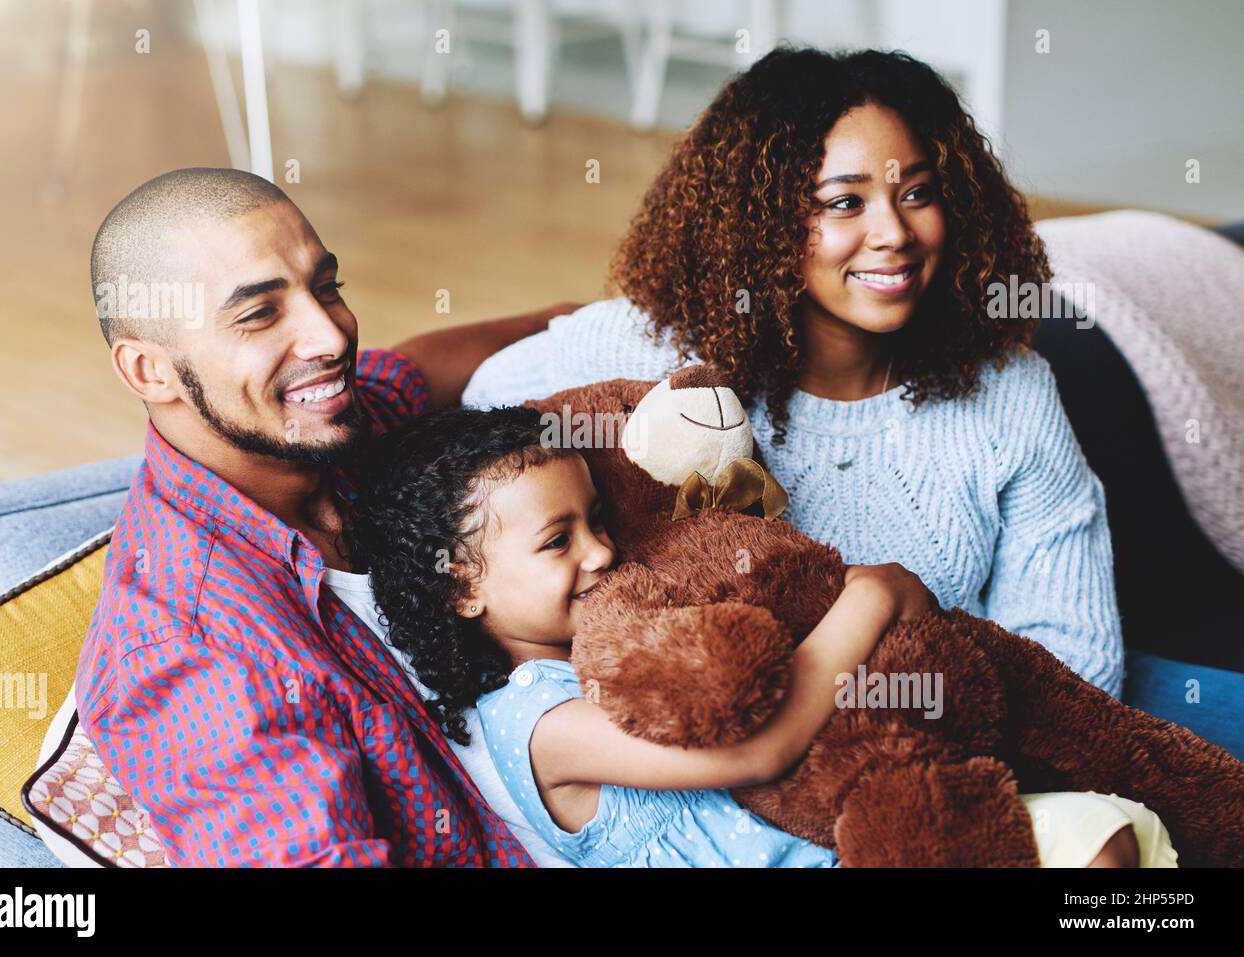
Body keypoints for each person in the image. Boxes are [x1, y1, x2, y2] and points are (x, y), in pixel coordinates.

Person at [461, 47, 1125, 699]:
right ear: (759, 226)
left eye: (918, 193)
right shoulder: (650, 350)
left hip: (938, 758)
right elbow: (474, 414)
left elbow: (1079, 666)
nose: (894, 231)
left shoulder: (1012, 391)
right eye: (844, 203)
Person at [343, 405, 1176, 868]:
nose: (601, 550)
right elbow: (759, 749)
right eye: (558, 541)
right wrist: (870, 596)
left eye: (596, 520)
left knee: (1107, 832)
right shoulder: (539, 724)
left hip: (858, 837)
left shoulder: (640, 638)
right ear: (462, 586)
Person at [77, 166, 575, 866]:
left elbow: (415, 367)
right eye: (258, 314)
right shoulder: (187, 651)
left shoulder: (333, 432)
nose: (331, 337)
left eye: (326, 288)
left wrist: (588, 315)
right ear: (150, 372)